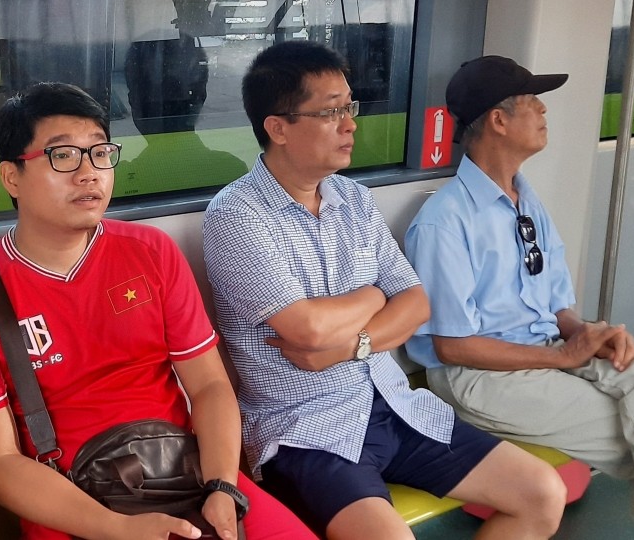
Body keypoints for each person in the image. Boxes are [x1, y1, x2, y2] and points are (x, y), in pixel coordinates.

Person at [202, 42, 565, 540]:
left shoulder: (354, 199)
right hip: (305, 430)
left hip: (395, 404)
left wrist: (356, 343)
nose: (350, 125)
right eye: (331, 112)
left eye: (349, 108)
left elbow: (416, 304)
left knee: (542, 493)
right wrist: (375, 296)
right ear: (278, 128)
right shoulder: (237, 216)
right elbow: (307, 331)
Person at [0, 83, 315, 540]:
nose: (89, 173)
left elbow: (209, 385)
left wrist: (222, 486)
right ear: (11, 177)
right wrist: (117, 529)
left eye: (99, 153)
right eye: (63, 156)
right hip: (73, 503)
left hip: (188, 472)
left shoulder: (150, 252)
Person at [404, 55, 634, 540]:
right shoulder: (444, 222)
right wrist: (562, 358)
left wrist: (591, 335)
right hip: (481, 377)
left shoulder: (527, 202)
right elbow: (453, 347)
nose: (543, 111)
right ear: (498, 120)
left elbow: (557, 310)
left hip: (549, 353)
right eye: (532, 101)